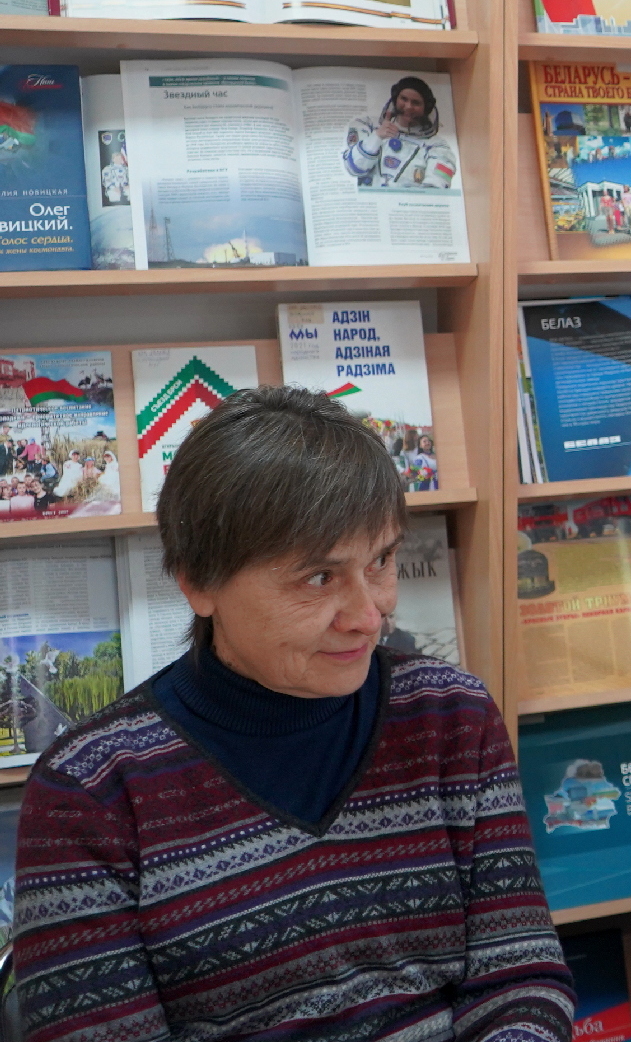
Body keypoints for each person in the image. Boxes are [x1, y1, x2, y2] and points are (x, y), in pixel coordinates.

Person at [13, 386, 574, 1041]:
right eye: (319, 578)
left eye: (381, 561)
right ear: (198, 581)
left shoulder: (451, 717)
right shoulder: (90, 790)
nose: (369, 616)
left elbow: (519, 980)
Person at [343, 75, 458, 189]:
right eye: (404, 99)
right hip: (370, 200)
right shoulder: (367, 125)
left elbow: (436, 189)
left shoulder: (437, 145)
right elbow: (354, 169)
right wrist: (377, 137)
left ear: (426, 108)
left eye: (416, 103)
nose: (408, 107)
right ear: (395, 99)